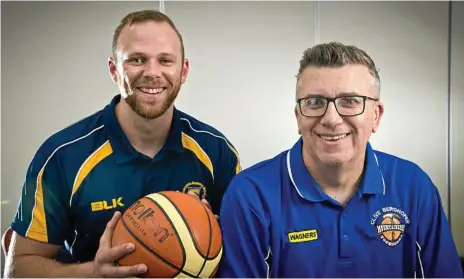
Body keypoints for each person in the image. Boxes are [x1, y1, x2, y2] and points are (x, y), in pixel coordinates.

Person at [4, 9, 240, 278]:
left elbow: (243, 256)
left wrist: (213, 232)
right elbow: (17, 269)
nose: (152, 72)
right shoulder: (62, 157)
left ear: (183, 70)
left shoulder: (217, 152)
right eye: (137, 60)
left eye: (165, 60)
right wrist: (95, 272)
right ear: (114, 70)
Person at [218, 42, 463, 278]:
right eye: (314, 102)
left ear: (376, 116)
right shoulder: (250, 195)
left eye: (349, 101)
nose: (332, 119)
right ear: (298, 117)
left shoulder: (414, 187)